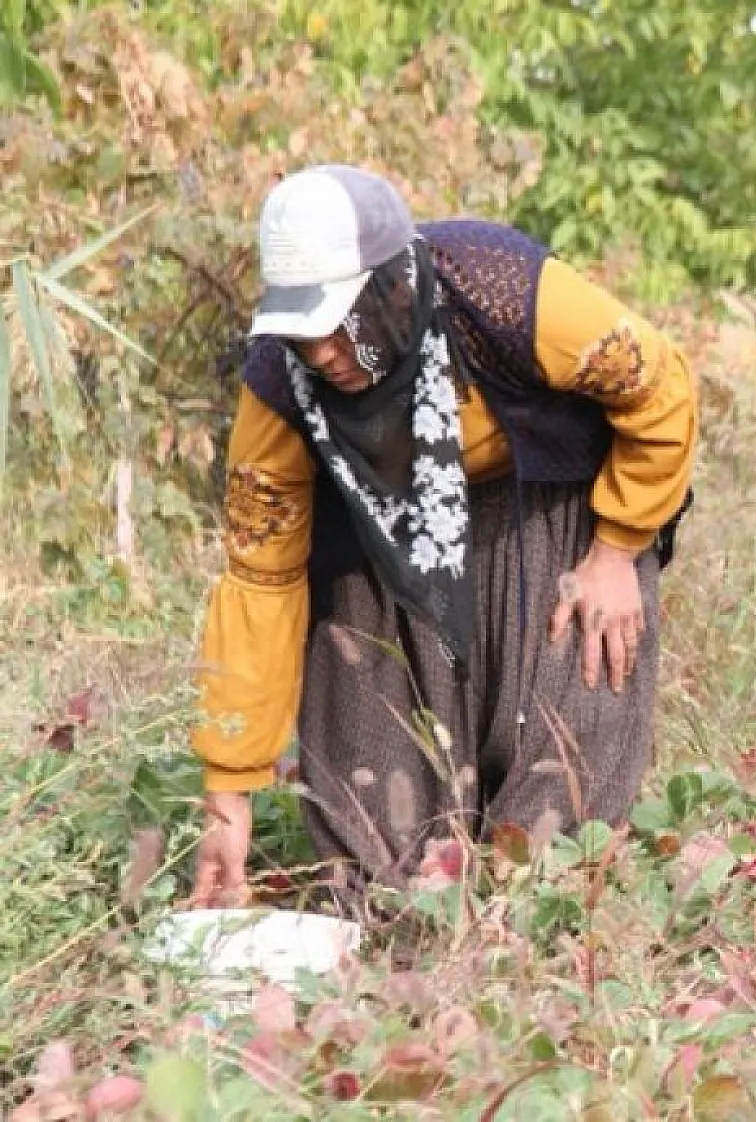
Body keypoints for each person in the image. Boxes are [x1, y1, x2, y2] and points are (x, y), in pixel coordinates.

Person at [188, 165, 698, 913]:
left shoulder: (502, 292)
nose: (322, 352)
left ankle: (537, 888)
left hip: (545, 512)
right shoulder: (279, 383)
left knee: (562, 785)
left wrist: (618, 551)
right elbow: (260, 577)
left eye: (338, 321)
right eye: (301, 329)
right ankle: (405, 909)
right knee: (379, 861)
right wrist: (226, 802)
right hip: (381, 538)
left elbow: (658, 387)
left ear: (393, 285)